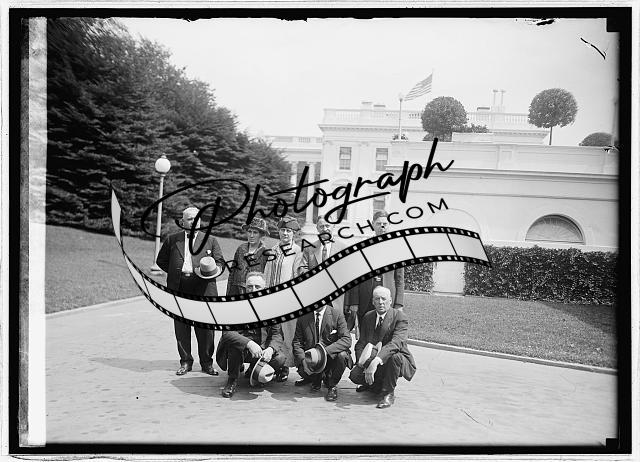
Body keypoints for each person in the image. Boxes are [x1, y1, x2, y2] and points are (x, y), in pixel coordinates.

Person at [156, 206, 225, 376]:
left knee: (206, 328)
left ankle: (207, 363)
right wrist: (176, 273)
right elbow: (161, 260)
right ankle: (185, 362)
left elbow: (220, 263)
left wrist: (212, 270)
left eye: (197, 218)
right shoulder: (173, 240)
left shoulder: (211, 240)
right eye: (190, 219)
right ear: (182, 222)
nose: (194, 222)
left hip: (203, 288)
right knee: (181, 328)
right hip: (180, 288)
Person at [216, 272, 286, 398]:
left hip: (262, 350)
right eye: (250, 287)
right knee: (234, 347)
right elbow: (227, 333)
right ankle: (232, 380)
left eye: (257, 287)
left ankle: (256, 370)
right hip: (243, 349)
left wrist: (270, 349)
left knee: (280, 358)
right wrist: (249, 344)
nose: (253, 290)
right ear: (245, 288)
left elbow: (277, 334)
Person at [350, 286, 416, 409]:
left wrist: (376, 361)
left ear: (390, 300)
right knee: (355, 376)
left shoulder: (400, 317)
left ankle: (388, 393)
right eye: (377, 299)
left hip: (393, 358)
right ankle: (373, 385)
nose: (380, 302)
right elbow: (361, 343)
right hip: (373, 356)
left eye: (384, 299)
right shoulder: (368, 317)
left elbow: (396, 343)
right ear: (372, 301)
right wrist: (362, 363)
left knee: (395, 357)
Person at [345, 210, 404, 331]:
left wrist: (399, 304)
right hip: (366, 299)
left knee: (385, 334)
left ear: (389, 225)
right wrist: (354, 302)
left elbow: (399, 279)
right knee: (364, 335)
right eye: (378, 224)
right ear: (373, 225)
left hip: (386, 299)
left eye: (385, 224)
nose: (382, 226)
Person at [263, 216, 303, 382]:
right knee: (272, 331)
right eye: (283, 230)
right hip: (270, 298)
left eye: (288, 231)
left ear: (293, 233)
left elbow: (297, 277)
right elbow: (267, 272)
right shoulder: (273, 249)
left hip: (287, 299)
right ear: (278, 232)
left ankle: (284, 366)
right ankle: (270, 364)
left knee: (286, 332)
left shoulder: (297, 251)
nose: (285, 233)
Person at [292, 304, 352, 402]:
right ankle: (314, 378)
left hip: (331, 358)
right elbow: (297, 342)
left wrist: (324, 352)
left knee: (343, 355)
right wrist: (303, 360)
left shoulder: (337, 315)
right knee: (303, 369)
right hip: (312, 359)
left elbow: (347, 340)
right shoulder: (303, 317)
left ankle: (332, 385)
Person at [297, 216, 348, 314]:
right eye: (321, 226)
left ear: (333, 226)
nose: (325, 229)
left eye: (327, 226)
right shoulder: (309, 248)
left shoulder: (343, 248)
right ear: (317, 228)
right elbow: (302, 269)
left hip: (336, 300)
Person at [226, 218, 270, 296]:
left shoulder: (265, 253)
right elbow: (232, 272)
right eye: (249, 231)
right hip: (236, 289)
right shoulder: (241, 249)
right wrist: (228, 292)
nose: (251, 235)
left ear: (261, 234)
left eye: (255, 232)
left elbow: (267, 277)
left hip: (253, 289)